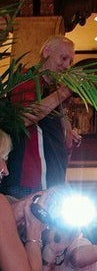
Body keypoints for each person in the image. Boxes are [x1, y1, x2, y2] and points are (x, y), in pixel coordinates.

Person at [1, 36, 80, 199]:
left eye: (70, 62)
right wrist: (64, 92)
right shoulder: (28, 78)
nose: (67, 66)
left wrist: (69, 132)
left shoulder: (56, 92)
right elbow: (23, 118)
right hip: (29, 182)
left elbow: (66, 144)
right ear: (47, 52)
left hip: (54, 184)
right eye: (63, 58)